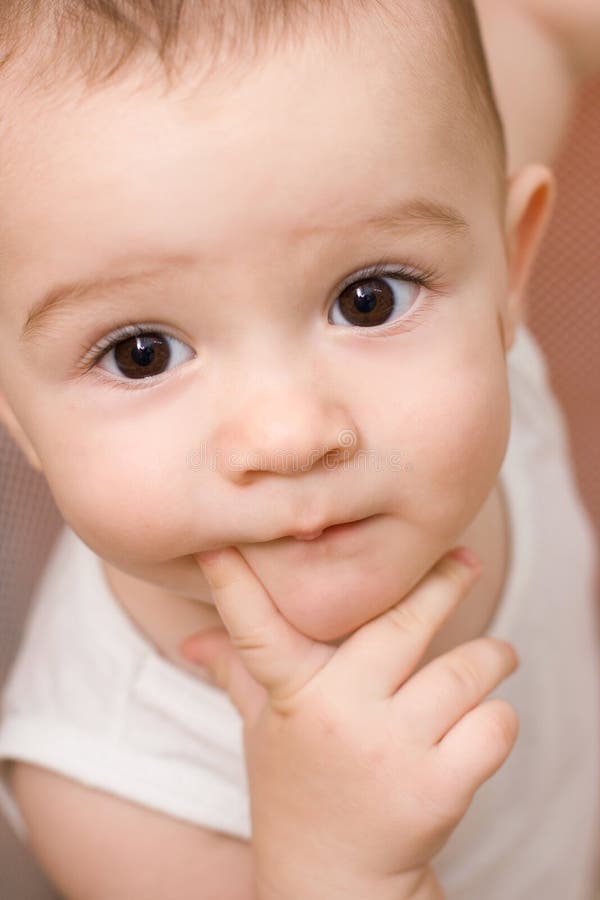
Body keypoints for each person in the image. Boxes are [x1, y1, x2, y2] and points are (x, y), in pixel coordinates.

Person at [0, 1, 598, 897]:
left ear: (506, 268)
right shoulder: (115, 789)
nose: (288, 436)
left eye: (368, 300)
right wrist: (335, 864)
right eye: (141, 353)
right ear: (14, 412)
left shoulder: (455, 268)